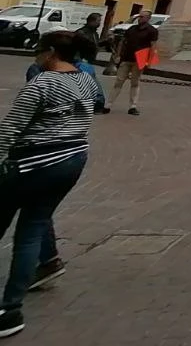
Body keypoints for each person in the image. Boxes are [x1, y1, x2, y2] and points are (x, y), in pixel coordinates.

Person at [0, 31, 100, 337]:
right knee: (32, 230)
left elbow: (10, 129)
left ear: (51, 53)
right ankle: (10, 310)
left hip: (30, 163)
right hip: (70, 161)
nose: (36, 56)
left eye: (39, 51)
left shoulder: (42, 83)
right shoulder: (86, 81)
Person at [109, 10, 158, 116]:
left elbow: (153, 46)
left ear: (148, 18)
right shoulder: (131, 29)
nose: (140, 18)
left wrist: (149, 61)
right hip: (126, 58)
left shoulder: (152, 31)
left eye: (143, 17)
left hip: (139, 59)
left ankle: (133, 106)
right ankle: (108, 105)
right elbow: (123, 42)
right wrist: (118, 55)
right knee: (118, 81)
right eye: (140, 16)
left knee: (135, 83)